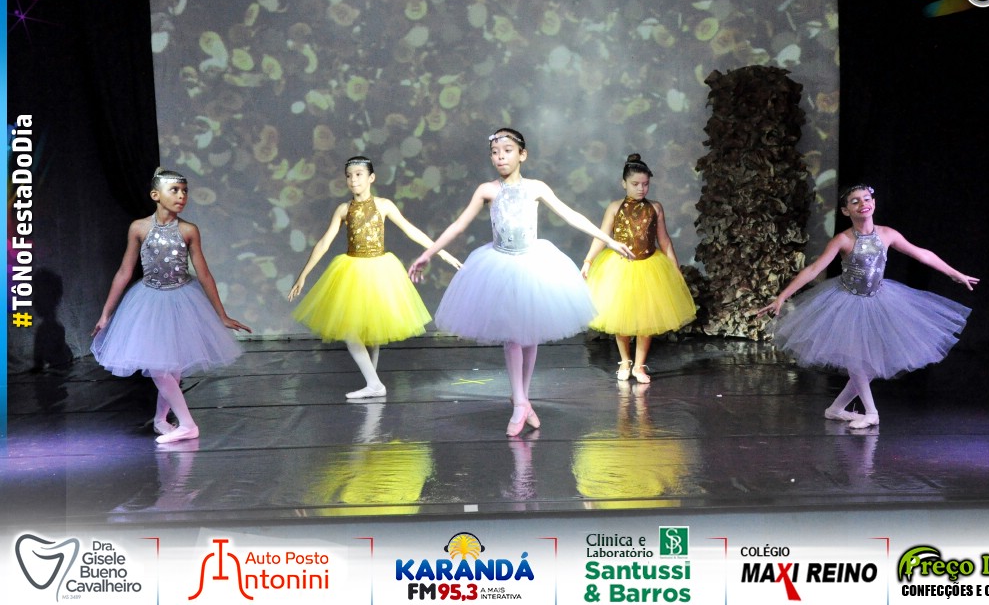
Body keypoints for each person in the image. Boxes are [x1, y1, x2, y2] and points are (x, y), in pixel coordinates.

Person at [407, 128, 634, 436]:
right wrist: (428, 254)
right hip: (501, 265)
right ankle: (520, 402)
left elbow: (570, 215)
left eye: (507, 151)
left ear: (522, 155)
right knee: (513, 336)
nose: (500, 157)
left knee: (529, 336)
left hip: (532, 263)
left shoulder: (536, 188)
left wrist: (610, 240)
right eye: (495, 152)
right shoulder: (487, 190)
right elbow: (459, 225)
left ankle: (522, 398)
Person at [756, 184, 979, 429]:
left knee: (869, 365)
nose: (863, 203)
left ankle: (836, 409)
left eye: (866, 198)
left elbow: (921, 254)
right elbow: (813, 269)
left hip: (879, 299)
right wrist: (782, 297)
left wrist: (954, 273)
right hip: (847, 302)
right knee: (858, 362)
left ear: (873, 203)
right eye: (855, 201)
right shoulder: (843, 239)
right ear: (845, 211)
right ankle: (871, 412)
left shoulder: (887, 234)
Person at [91, 168, 251, 444]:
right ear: (156, 195)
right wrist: (106, 314)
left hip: (181, 299)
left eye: (184, 191)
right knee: (160, 368)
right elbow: (124, 272)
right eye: (174, 190)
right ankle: (177, 422)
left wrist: (222, 315)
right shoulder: (139, 228)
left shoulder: (188, 230)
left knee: (171, 368)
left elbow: (204, 274)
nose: (181, 196)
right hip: (149, 301)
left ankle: (174, 422)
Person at [288, 156, 461, 398]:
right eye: (349, 176)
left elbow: (410, 230)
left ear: (371, 178)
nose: (353, 180)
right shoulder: (343, 209)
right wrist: (303, 275)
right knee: (353, 331)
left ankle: (374, 384)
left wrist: (440, 252)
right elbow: (324, 242)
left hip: (379, 270)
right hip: (352, 271)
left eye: (359, 174)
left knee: (373, 330)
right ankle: (374, 383)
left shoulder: (384, 205)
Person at [581, 153, 696, 383]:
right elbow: (601, 236)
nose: (641, 189)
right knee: (620, 318)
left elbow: (664, 240)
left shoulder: (655, 208)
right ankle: (625, 361)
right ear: (624, 183)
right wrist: (588, 261)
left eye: (645, 184)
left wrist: (674, 267)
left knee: (646, 320)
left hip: (649, 267)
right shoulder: (615, 207)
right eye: (635, 184)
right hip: (619, 269)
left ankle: (639, 366)